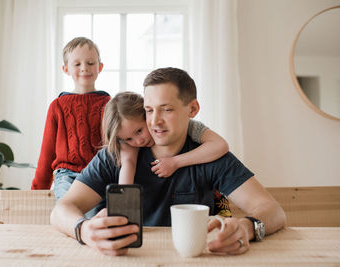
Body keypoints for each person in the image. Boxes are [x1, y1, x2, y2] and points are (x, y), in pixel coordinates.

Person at [50, 67, 286, 256]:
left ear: (192, 109)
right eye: (149, 110)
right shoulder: (116, 155)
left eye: (166, 110)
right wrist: (84, 230)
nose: (155, 121)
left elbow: (273, 211)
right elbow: (62, 210)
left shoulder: (210, 156)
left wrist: (246, 228)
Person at [102, 91, 231, 217]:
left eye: (139, 131)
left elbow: (220, 145)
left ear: (148, 116)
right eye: (129, 139)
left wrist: (175, 162)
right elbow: (128, 168)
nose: (138, 141)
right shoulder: (128, 145)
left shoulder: (184, 125)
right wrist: (124, 209)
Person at [31, 37, 110, 201]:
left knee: (96, 210)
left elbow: (117, 147)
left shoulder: (109, 104)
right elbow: (47, 152)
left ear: (100, 67)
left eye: (90, 63)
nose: (84, 68)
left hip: (98, 172)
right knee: (69, 207)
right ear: (66, 69)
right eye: (77, 64)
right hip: (66, 174)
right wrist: (37, 191)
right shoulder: (58, 106)